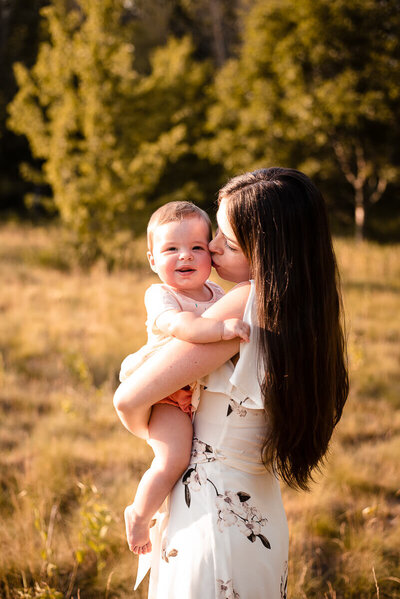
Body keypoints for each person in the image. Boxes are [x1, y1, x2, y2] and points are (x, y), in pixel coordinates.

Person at [114, 168, 349, 599]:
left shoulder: (242, 303)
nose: (212, 248)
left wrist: (151, 431)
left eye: (228, 240)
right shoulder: (303, 309)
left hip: (211, 514)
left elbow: (128, 397)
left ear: (268, 252)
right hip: (258, 510)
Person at [120, 201, 250, 555]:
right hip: (165, 393)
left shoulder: (221, 295)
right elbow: (181, 328)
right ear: (152, 260)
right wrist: (222, 328)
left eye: (196, 247)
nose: (185, 257)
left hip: (198, 391)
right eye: (171, 249)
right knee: (172, 459)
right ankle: (138, 514)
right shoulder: (162, 294)